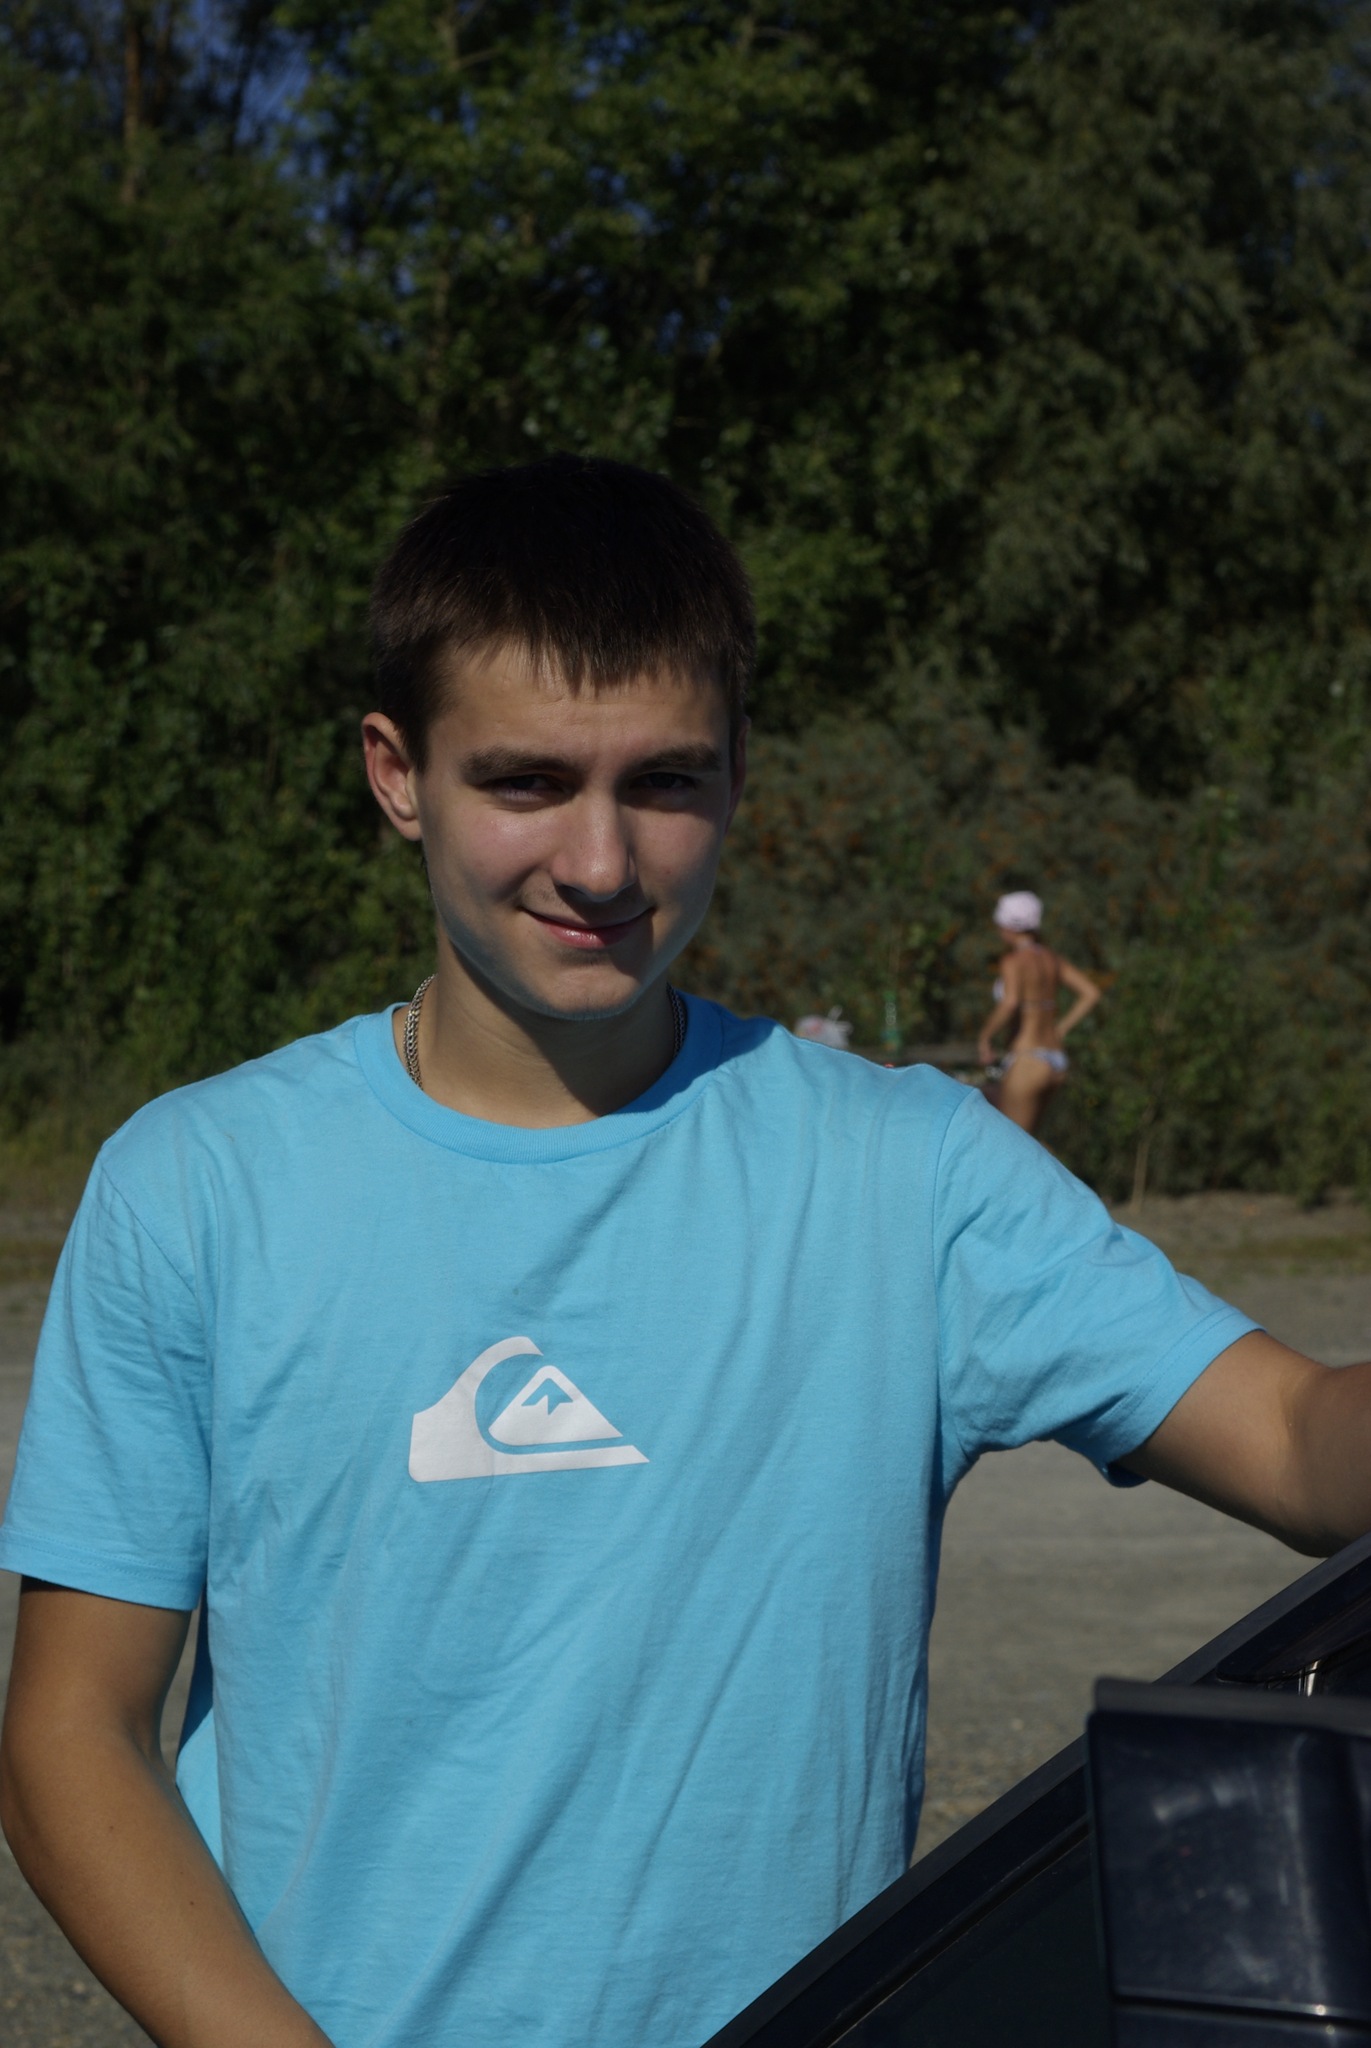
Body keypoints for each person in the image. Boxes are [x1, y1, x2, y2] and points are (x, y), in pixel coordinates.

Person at [2, 457, 1371, 2048]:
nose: (599, 863)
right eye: (524, 782)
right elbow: (71, 1735)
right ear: (395, 773)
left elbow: (1295, 1442)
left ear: (736, 775)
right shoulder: (198, 1185)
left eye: (662, 781)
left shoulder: (906, 1172)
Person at [977, 889, 1101, 1134]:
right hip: (1056, 1059)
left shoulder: (1014, 961)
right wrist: (1061, 1028)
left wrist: (985, 1037)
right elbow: (1091, 993)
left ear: (1009, 926)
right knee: (1031, 1142)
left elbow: (1010, 1003)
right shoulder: (1052, 959)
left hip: (1028, 1059)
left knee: (1011, 1143)